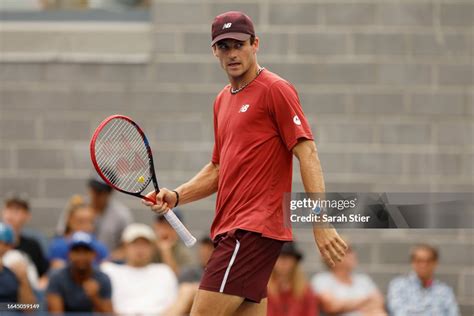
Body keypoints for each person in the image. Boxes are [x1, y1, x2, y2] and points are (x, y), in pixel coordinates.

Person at [143, 11, 347, 316]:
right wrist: (177, 195)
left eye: (238, 44)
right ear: (214, 51)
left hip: (251, 231)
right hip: (233, 231)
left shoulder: (275, 89)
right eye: (224, 47)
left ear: (255, 44)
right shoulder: (222, 100)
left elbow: (308, 153)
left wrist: (320, 220)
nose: (232, 53)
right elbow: (217, 169)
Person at [101, 223, 178, 315]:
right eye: (135, 244)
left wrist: (165, 251)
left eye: (145, 244)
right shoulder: (109, 269)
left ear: (153, 248)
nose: (140, 249)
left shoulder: (164, 270)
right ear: (125, 247)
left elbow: (174, 303)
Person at [56, 175, 132, 259]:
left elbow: (127, 246)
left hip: (109, 260)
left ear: (109, 193)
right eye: (93, 190)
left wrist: (106, 260)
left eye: (100, 192)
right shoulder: (78, 206)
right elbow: (62, 234)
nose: (95, 195)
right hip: (75, 258)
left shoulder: (121, 215)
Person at [46, 231, 113, 313]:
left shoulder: (103, 279)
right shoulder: (57, 278)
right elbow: (56, 313)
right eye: (77, 251)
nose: (81, 256)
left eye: (86, 251)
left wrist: (95, 297)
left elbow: (109, 313)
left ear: (94, 255)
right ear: (69, 254)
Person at [311, 244, 386, 316]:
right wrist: (366, 300)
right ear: (332, 256)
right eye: (348, 252)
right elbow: (331, 306)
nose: (353, 255)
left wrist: (346, 306)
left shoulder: (363, 280)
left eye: (352, 251)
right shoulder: (322, 280)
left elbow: (379, 302)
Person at [387, 244, 459, 316]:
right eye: (419, 261)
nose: (423, 265)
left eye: (428, 261)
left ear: (435, 263)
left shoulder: (445, 291)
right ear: (412, 262)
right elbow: (399, 313)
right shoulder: (398, 286)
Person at [48, 195, 109, 269]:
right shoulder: (58, 246)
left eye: (89, 221)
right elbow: (56, 271)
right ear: (69, 221)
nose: (85, 226)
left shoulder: (100, 248)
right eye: (80, 221)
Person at [2, 194, 49, 283]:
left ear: (27, 216)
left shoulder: (32, 245)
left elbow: (44, 274)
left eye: (17, 210)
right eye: (8, 209)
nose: (11, 214)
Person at [165, 236, 215, 316]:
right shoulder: (190, 271)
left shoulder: (223, 274)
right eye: (203, 248)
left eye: (210, 248)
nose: (205, 252)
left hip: (213, 304)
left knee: (187, 289)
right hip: (189, 308)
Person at [267, 242, 319, 316]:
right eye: (280, 257)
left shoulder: (306, 291)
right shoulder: (264, 291)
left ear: (295, 261)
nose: (284, 262)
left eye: (288, 257)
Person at [0, 222, 36, 305]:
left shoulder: (16, 259)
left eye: (4, 243)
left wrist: (23, 279)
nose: (1, 247)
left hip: (11, 310)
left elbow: (30, 308)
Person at [153, 209, 192, 275]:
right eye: (161, 225)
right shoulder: (148, 246)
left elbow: (177, 280)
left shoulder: (184, 254)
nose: (165, 230)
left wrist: (166, 252)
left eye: (170, 226)